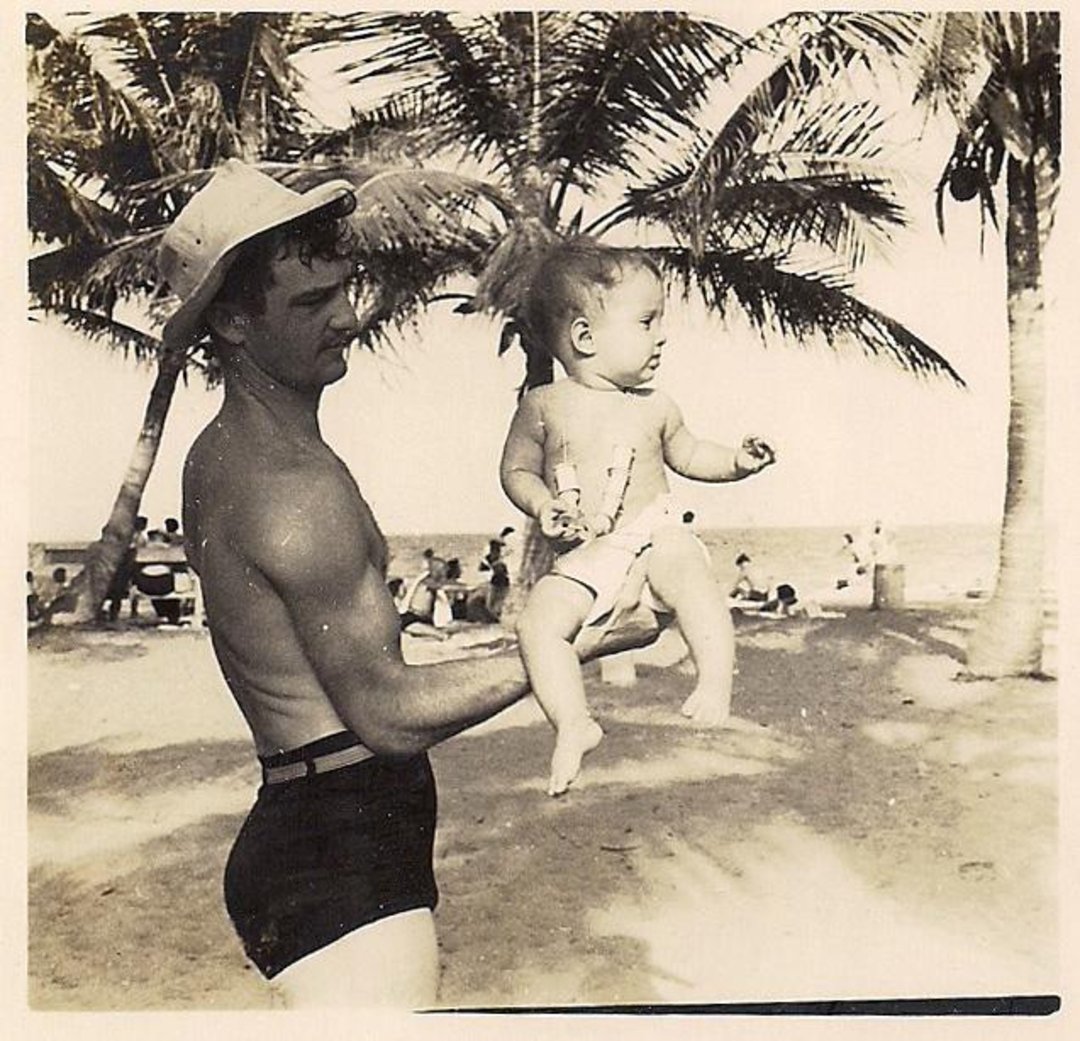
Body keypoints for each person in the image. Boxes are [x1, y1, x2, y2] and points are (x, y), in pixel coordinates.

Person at [160, 161, 654, 1008]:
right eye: (310, 305)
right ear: (234, 323)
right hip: (338, 849)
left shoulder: (226, 454)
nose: (347, 320)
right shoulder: (288, 484)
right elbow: (385, 712)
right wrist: (579, 635)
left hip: (316, 822)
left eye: (343, 291)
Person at [499, 238, 776, 796]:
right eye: (648, 321)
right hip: (590, 552)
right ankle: (573, 722)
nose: (663, 334)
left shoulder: (656, 404)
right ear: (584, 337)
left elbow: (693, 455)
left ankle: (716, 677)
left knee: (688, 574)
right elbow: (516, 472)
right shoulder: (544, 405)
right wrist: (541, 504)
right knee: (538, 623)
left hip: (655, 530)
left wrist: (739, 463)